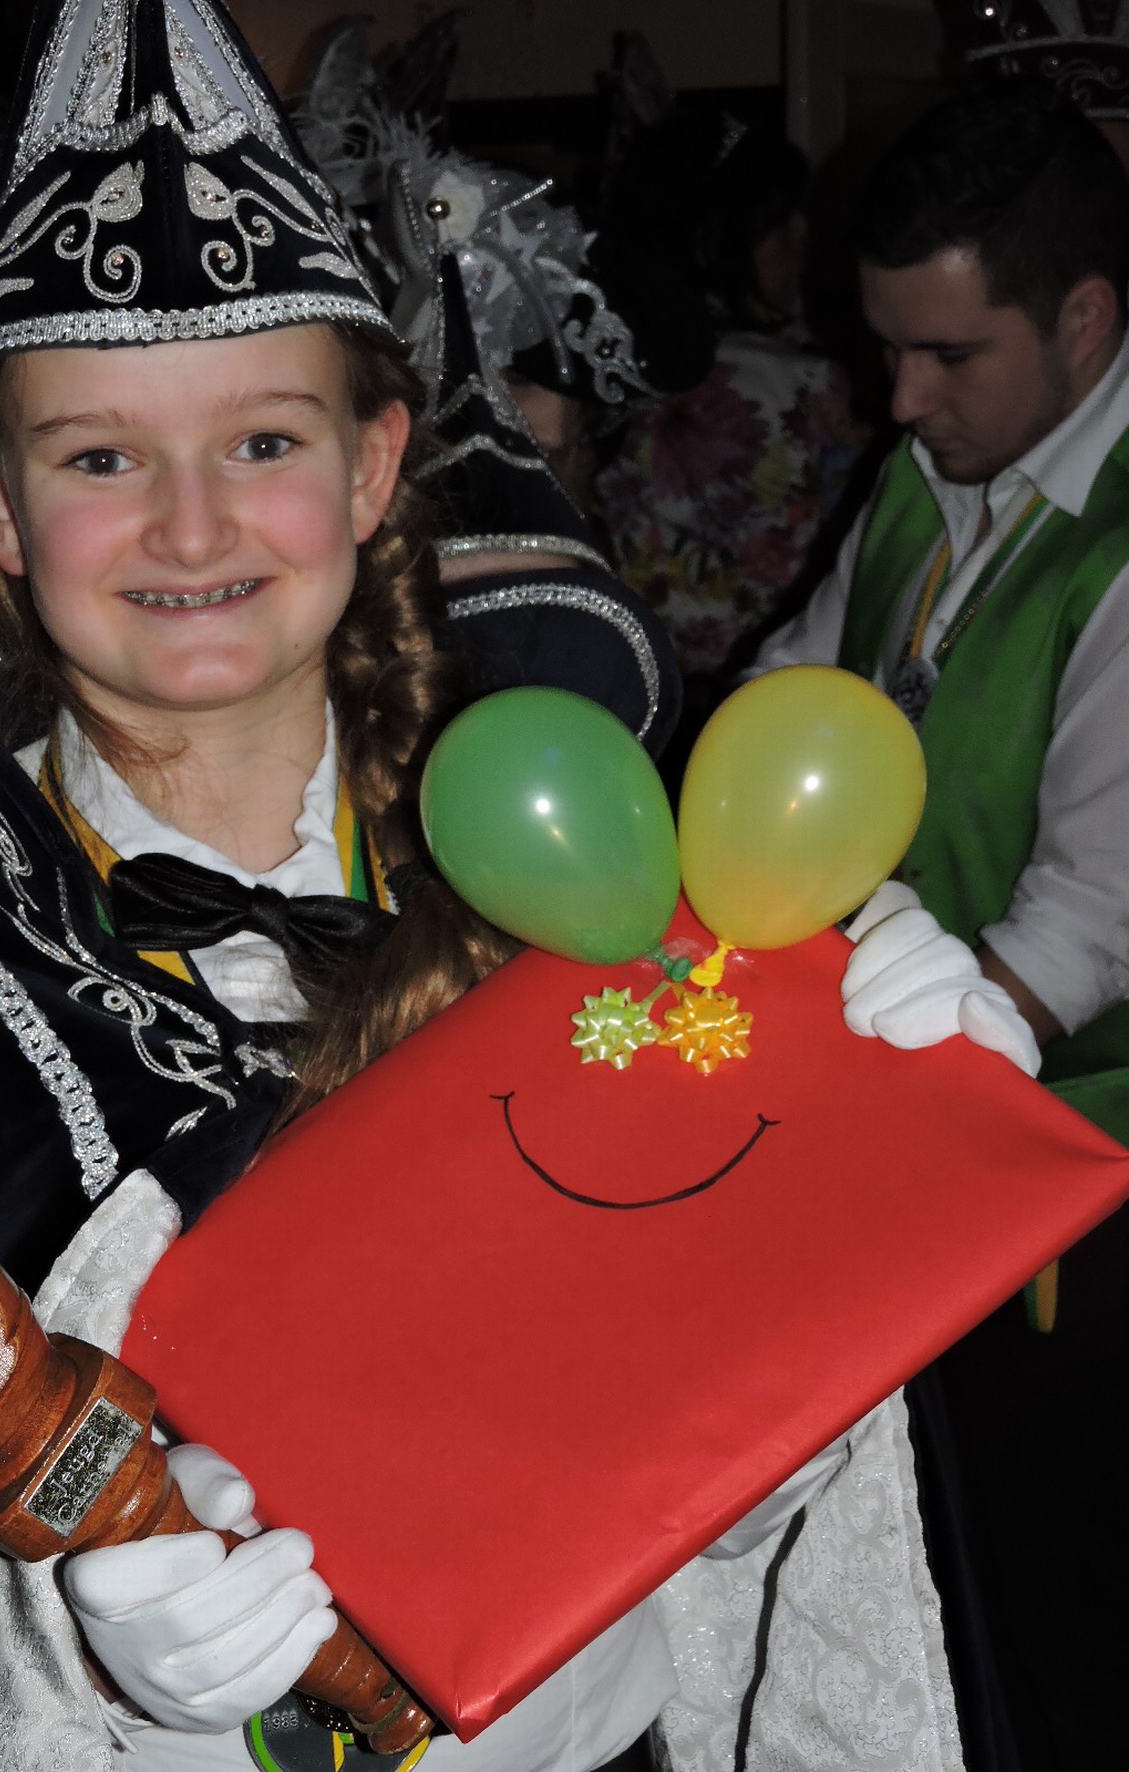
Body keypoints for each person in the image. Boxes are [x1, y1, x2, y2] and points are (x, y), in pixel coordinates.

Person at [0, 7, 1035, 1771]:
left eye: (263, 443)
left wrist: (869, 1149)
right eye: (98, 458)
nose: (192, 528)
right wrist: (89, 1664)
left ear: (374, 466)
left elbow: (738, 1494)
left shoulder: (586, 873)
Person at [750, 76, 1129, 1770]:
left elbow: (1081, 931)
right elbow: (788, 694)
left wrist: (858, 1117)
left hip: (1079, 1176)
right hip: (911, 1136)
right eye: (884, 347)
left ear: (1082, 320)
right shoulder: (932, 465)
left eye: (945, 355)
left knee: (1063, 1611)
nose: (896, 399)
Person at [593, 118, 868, 715]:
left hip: (631, 689)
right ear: (715, 238)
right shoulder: (812, 383)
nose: (803, 240)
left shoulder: (604, 366)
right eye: (778, 224)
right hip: (774, 695)